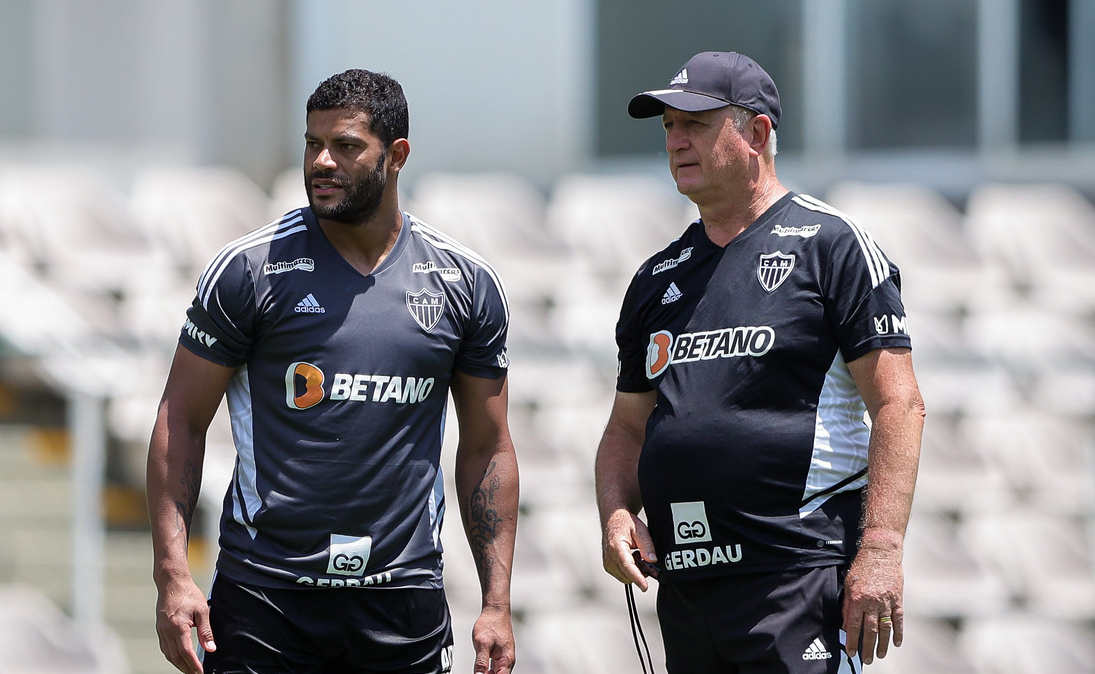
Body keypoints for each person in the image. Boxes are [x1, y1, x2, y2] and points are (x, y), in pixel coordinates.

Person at [147, 69, 518, 674]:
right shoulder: (249, 270)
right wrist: (172, 576)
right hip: (265, 597)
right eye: (312, 143)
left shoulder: (466, 283)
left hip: (403, 600)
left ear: (396, 156)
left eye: (345, 146)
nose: (322, 161)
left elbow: (489, 447)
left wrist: (496, 603)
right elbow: (179, 422)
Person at [595, 51, 925, 673]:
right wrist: (616, 512)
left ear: (757, 133)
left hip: (797, 577)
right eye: (667, 125)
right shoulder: (655, 278)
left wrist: (880, 549)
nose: (675, 140)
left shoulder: (833, 246)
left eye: (695, 123)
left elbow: (899, 403)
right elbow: (626, 429)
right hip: (687, 588)